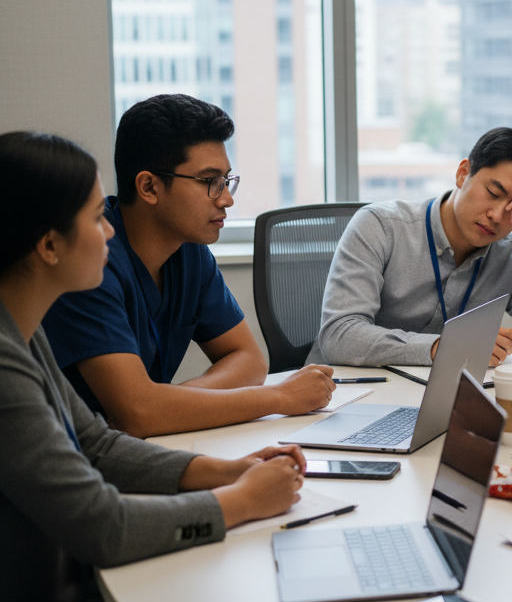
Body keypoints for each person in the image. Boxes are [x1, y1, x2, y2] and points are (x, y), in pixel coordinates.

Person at [0, 131, 310, 602]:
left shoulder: (22, 333)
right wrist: (241, 500)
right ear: (49, 245)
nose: (107, 231)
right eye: (95, 216)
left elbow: (97, 444)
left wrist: (227, 470)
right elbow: (102, 525)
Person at [42, 95, 335, 438]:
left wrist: (168, 404)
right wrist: (279, 397)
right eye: (209, 181)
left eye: (226, 180)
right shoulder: (90, 260)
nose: (227, 198)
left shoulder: (188, 250)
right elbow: (137, 413)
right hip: (77, 462)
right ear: (149, 187)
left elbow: (249, 360)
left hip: (142, 447)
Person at [310, 127, 512, 367]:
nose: (496, 215)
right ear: (463, 173)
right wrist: (441, 348)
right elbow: (339, 336)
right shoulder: (381, 227)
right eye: (493, 193)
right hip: (348, 396)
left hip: (442, 401)